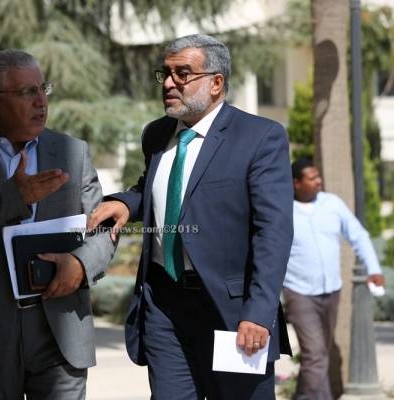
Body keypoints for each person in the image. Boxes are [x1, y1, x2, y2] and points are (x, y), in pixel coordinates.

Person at [88, 34, 293, 399]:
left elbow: (273, 232)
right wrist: (127, 204)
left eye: (182, 73)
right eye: (165, 73)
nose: (169, 83)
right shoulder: (156, 134)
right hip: (164, 304)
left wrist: (259, 312)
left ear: (216, 83)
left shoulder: (260, 137)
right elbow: (157, 187)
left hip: (231, 310)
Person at [0, 49, 114, 399]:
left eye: (43, 89)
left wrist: (80, 263)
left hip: (60, 329)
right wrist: (13, 197)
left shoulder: (72, 151)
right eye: (27, 92)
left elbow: (102, 227)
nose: (41, 101)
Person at [283, 158, 385, 400]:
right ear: (296, 183)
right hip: (299, 292)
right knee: (315, 354)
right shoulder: (284, 209)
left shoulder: (332, 203)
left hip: (331, 291)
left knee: (320, 354)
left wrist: (373, 268)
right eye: (312, 178)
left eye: (318, 176)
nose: (319, 181)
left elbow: (358, 235)